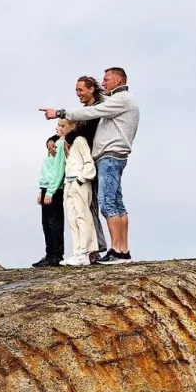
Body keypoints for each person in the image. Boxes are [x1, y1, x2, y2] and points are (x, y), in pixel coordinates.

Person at [41, 67, 139, 262]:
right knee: (116, 203)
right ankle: (122, 249)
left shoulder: (119, 99)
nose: (104, 83)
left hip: (110, 156)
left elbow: (92, 113)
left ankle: (116, 251)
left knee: (107, 203)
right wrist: (56, 138)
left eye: (107, 79)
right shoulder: (120, 100)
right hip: (112, 156)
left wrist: (59, 112)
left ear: (118, 81)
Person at [73, 76, 112, 258]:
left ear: (91, 89)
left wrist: (70, 137)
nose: (78, 94)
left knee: (97, 203)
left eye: (80, 90)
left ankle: (98, 246)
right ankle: (95, 246)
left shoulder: (98, 110)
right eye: (76, 90)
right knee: (88, 205)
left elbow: (86, 133)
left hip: (95, 161)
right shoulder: (86, 110)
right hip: (85, 161)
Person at [57, 118, 98, 266]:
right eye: (59, 125)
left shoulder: (79, 140)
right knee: (72, 218)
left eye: (63, 125)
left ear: (73, 126)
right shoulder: (67, 142)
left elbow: (88, 161)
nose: (60, 128)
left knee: (82, 216)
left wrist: (81, 179)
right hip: (69, 182)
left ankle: (85, 252)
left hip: (78, 181)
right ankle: (76, 251)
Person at [33, 134, 65, 268]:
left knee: (54, 223)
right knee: (46, 223)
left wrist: (50, 191)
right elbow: (47, 171)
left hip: (54, 189)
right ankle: (49, 254)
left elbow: (58, 171)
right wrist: (42, 190)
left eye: (61, 127)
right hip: (46, 187)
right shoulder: (54, 143)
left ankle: (56, 256)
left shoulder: (60, 146)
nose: (58, 130)